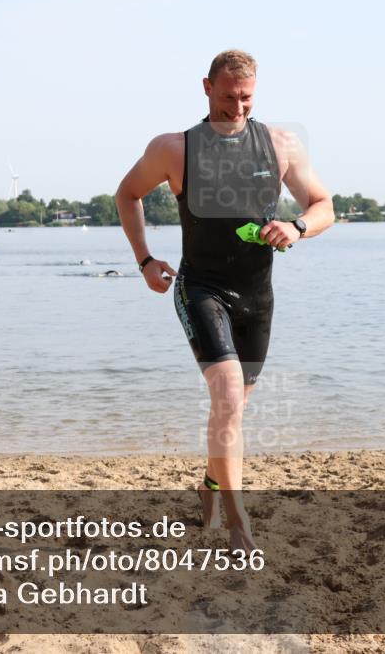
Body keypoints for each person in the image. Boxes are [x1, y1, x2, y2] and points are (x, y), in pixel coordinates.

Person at [115, 50, 333, 552]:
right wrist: (145, 260)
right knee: (229, 399)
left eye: (247, 97)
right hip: (201, 289)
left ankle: (211, 484)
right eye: (229, 96)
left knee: (231, 412)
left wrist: (297, 227)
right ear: (207, 87)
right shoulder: (175, 149)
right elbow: (127, 194)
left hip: (257, 297)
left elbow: (324, 206)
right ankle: (238, 525)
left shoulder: (280, 144)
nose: (238, 107)